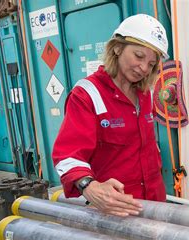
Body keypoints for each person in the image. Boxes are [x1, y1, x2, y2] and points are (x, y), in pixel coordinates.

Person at [52, 14, 169, 216]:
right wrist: (88, 186)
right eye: (139, 56)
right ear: (117, 47)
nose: (143, 68)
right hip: (115, 210)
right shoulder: (88, 94)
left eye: (151, 64)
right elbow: (68, 155)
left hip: (154, 204)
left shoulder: (145, 94)